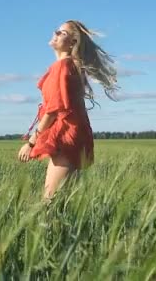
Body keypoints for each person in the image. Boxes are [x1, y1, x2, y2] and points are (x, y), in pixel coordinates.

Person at [17, 20, 119, 200]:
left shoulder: (63, 66)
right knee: (64, 201)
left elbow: (53, 110)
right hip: (72, 133)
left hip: (65, 135)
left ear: (73, 42)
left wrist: (31, 143)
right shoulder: (71, 66)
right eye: (56, 31)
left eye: (61, 33)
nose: (55, 34)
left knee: (51, 203)